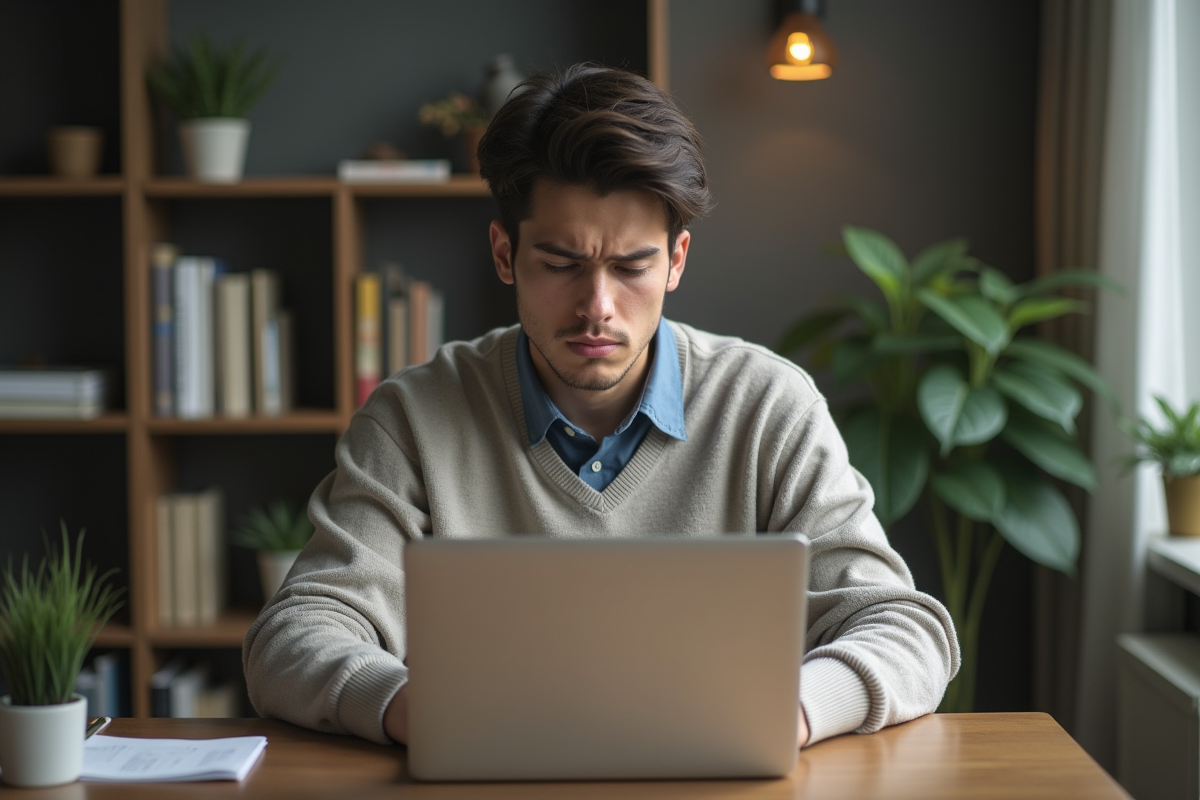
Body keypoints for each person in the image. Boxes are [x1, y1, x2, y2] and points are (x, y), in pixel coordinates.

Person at [243, 63, 959, 749]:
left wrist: (790, 713)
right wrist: (412, 710)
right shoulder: (412, 418)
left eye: (631, 267)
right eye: (561, 265)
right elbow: (293, 634)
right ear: (504, 254)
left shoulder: (769, 407)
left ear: (677, 260)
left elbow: (905, 630)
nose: (597, 307)